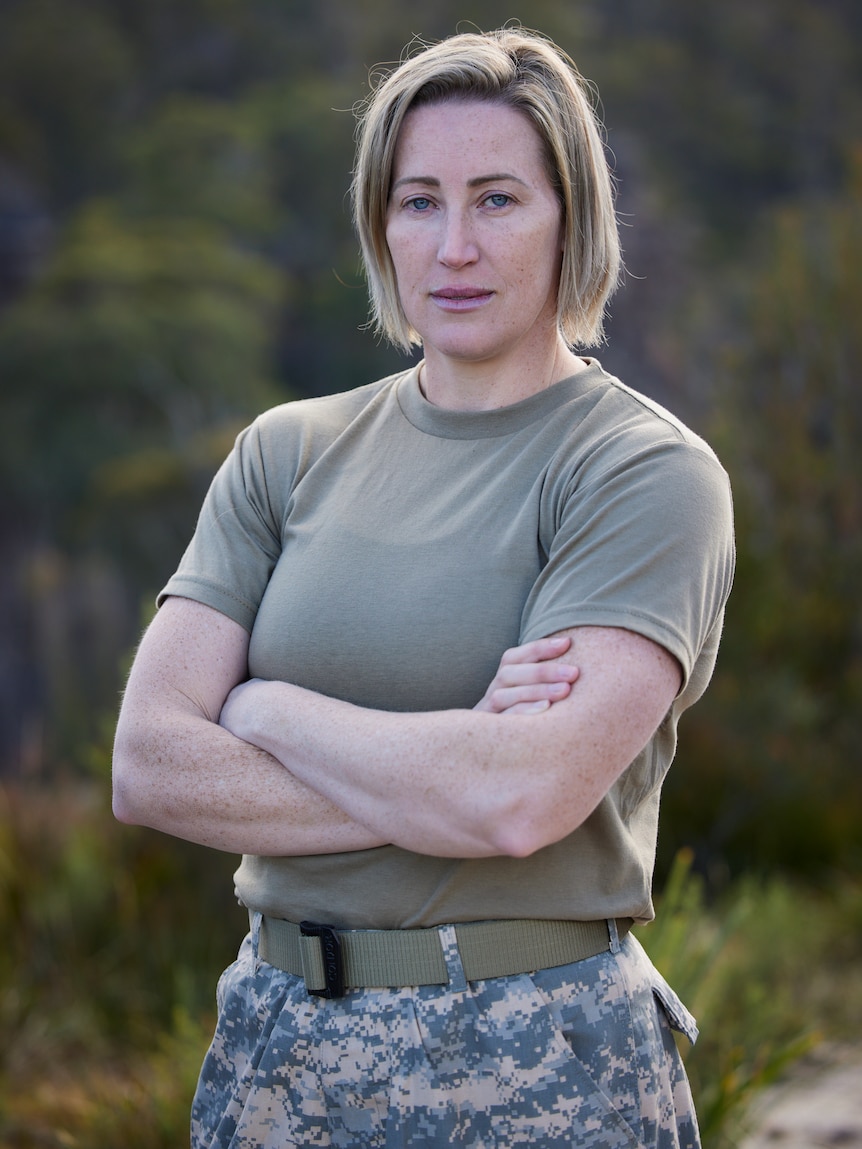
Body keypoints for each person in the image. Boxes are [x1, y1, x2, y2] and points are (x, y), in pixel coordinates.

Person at [112, 25, 734, 1149]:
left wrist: (264, 712)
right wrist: (450, 768)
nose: (452, 246)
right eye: (417, 202)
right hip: (274, 1049)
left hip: (534, 1060)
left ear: (570, 221)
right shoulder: (285, 452)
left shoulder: (641, 472)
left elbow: (522, 802)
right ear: (378, 225)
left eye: (497, 200)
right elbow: (150, 765)